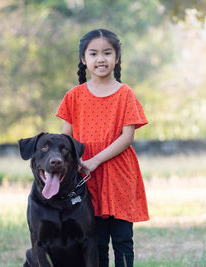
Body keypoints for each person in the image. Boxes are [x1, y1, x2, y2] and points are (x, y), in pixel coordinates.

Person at [56, 28, 149, 267]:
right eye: (94, 53)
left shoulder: (125, 94)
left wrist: (95, 160)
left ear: (116, 57)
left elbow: (127, 137)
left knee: (122, 238)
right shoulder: (73, 96)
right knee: (94, 241)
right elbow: (66, 140)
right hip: (86, 176)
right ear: (83, 59)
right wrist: (72, 166)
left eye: (107, 53)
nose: (101, 59)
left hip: (119, 173)